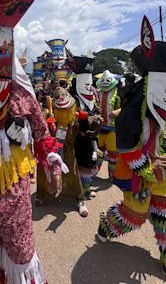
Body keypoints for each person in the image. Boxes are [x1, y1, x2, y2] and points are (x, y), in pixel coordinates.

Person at [98, 40, 166, 284]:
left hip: (159, 173)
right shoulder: (132, 112)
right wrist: (148, 168)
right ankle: (107, 225)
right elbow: (128, 148)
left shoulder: (159, 109)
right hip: (137, 173)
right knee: (134, 216)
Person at [36, 87, 86, 216]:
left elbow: (81, 130)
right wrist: (48, 122)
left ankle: (80, 198)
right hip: (51, 147)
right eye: (57, 97)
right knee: (43, 170)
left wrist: (86, 122)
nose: (61, 98)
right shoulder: (48, 112)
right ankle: (42, 194)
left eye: (63, 95)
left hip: (68, 146)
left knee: (72, 170)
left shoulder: (75, 114)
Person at [71, 56, 101, 199]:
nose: (89, 87)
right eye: (86, 84)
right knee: (81, 162)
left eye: (90, 84)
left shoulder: (91, 100)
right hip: (78, 139)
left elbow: (95, 112)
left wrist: (96, 117)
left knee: (91, 162)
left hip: (91, 138)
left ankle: (87, 187)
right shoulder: (72, 100)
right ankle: (79, 190)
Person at [96, 70, 121, 180]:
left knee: (113, 154)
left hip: (113, 128)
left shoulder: (118, 93)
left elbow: (126, 106)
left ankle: (112, 175)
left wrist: (118, 111)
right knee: (98, 152)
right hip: (99, 127)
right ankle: (93, 173)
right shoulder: (97, 92)